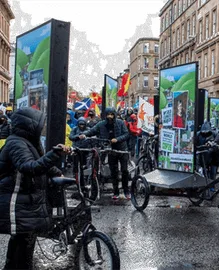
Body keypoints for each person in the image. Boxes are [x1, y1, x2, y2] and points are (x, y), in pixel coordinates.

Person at [0, 107, 70, 270]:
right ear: (29, 125)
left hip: (24, 201)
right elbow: (29, 167)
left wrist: (56, 172)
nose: (42, 127)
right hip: (16, 201)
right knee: (23, 247)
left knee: (21, 242)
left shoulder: (27, 142)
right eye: (40, 125)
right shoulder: (16, 143)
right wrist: (54, 154)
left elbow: (38, 161)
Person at [79, 107, 131, 200]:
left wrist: (117, 139)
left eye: (111, 114)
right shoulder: (101, 124)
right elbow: (92, 131)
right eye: (108, 115)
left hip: (122, 150)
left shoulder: (120, 123)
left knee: (124, 171)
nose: (110, 117)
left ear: (114, 115)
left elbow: (126, 134)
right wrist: (84, 135)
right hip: (110, 149)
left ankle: (126, 190)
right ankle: (116, 192)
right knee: (113, 172)